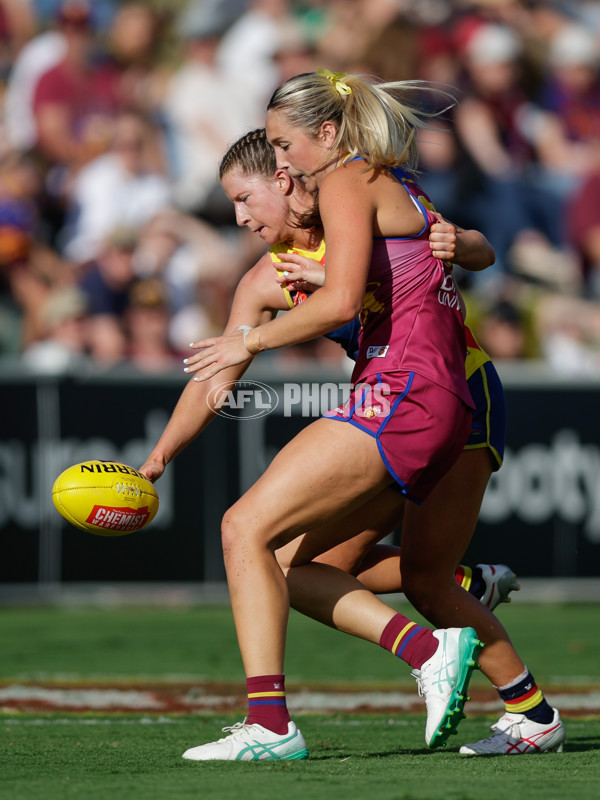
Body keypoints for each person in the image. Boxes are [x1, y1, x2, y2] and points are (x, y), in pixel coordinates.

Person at [138, 72, 546, 761]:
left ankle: (274, 722)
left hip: (439, 391)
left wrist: (258, 335)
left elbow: (366, 285)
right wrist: (157, 460)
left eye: (246, 195)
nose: (239, 216)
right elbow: (216, 374)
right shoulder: (274, 269)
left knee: (251, 530)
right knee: (330, 566)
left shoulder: (351, 185)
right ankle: (513, 696)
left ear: (290, 175)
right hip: (413, 396)